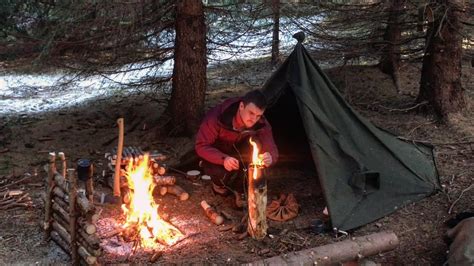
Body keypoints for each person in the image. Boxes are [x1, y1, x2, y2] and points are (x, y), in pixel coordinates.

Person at [195, 90, 278, 207]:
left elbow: (271, 146)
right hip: (219, 153)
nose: (254, 119)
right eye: (251, 113)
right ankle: (219, 185)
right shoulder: (217, 116)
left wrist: (270, 156)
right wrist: (223, 159)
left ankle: (240, 189)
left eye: (258, 115)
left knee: (257, 147)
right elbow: (201, 145)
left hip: (240, 151)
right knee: (220, 175)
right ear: (241, 106)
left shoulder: (261, 123)